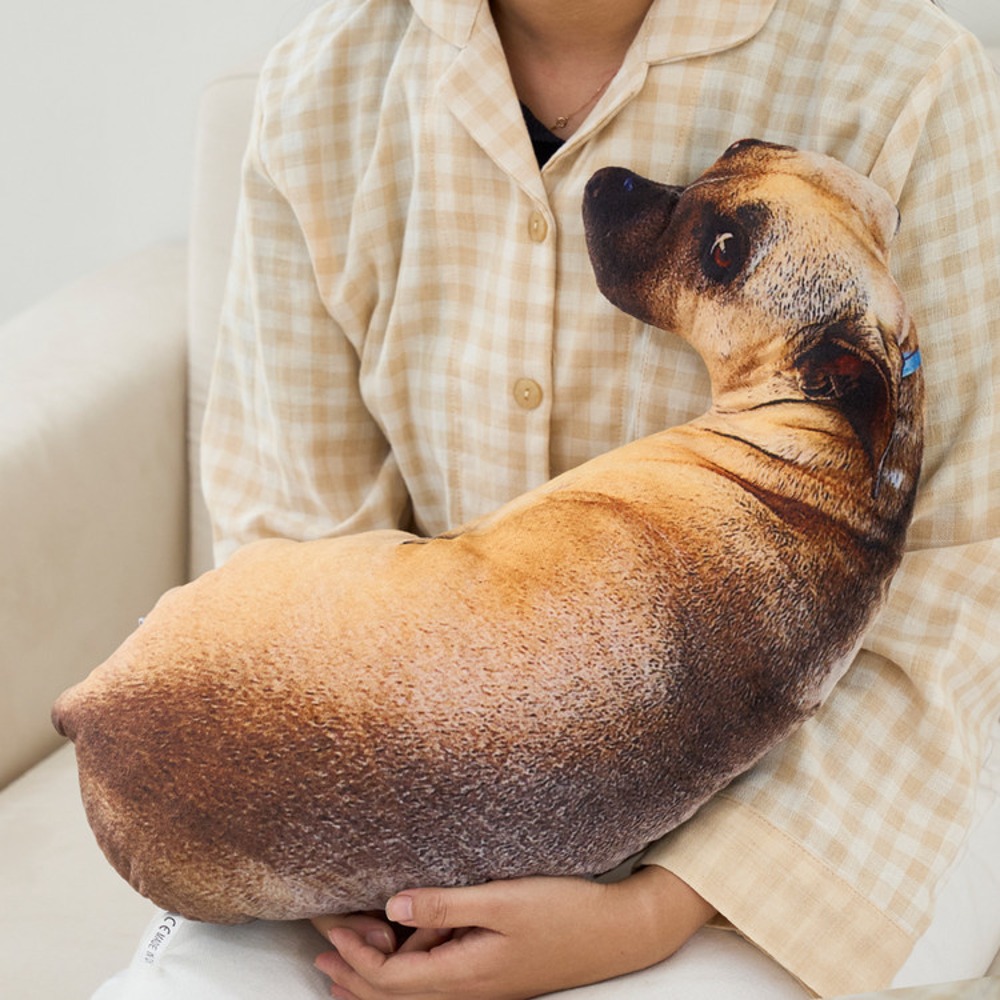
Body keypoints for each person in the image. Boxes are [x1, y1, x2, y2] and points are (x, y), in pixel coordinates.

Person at [98, 0, 1000, 998]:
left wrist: (653, 911)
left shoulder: (911, 79)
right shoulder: (321, 94)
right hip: (396, 811)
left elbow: (955, 593)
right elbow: (293, 536)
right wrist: (367, 866)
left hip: (811, 812)